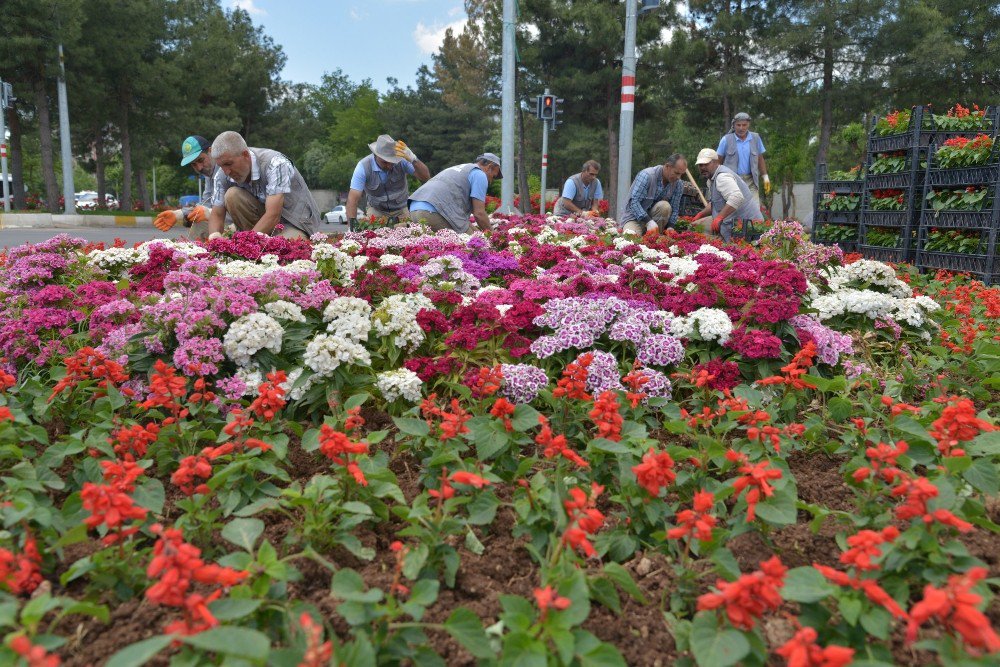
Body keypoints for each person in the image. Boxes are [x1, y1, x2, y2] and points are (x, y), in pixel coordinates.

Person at [206, 131, 320, 240]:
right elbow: (217, 213)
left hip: (294, 222)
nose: (226, 172)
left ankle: (254, 243)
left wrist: (247, 243)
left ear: (245, 155)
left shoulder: (276, 163)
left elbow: (273, 214)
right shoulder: (221, 175)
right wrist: (215, 238)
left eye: (229, 164)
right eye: (221, 166)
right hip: (264, 222)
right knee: (232, 195)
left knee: (282, 248)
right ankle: (254, 243)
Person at [346, 134, 430, 228]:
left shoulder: (402, 160)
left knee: (411, 235)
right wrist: (351, 228)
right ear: (375, 155)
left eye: (392, 161)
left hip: (402, 208)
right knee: (372, 237)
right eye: (385, 162)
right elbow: (352, 200)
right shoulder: (363, 167)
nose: (389, 166)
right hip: (377, 210)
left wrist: (414, 160)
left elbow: (425, 177)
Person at [407, 153, 502, 233]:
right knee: (477, 246)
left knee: (475, 237)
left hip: (415, 209)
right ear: (489, 167)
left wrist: (478, 233)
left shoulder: (461, 169)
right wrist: (493, 236)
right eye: (493, 176)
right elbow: (479, 213)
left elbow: (462, 223)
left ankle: (404, 227)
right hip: (433, 212)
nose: (491, 181)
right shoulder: (480, 174)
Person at [153, 135, 218, 239]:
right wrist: (178, 214)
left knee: (200, 224)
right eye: (194, 164)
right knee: (199, 221)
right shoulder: (209, 174)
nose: (199, 168)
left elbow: (233, 207)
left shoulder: (226, 169)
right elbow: (206, 204)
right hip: (228, 220)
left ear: (210, 151)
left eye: (201, 160)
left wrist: (209, 213)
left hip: (243, 224)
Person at [691, 148, 762, 243]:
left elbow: (737, 197)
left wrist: (720, 217)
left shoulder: (722, 177)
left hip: (748, 226)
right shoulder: (711, 180)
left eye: (706, 164)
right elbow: (715, 203)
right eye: (700, 165)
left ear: (716, 162)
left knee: (698, 233)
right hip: (734, 221)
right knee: (696, 226)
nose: (703, 167)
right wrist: (701, 214)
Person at [620, 154, 688, 235]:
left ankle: (655, 237)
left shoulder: (678, 184)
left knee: (664, 206)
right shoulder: (647, 175)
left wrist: (670, 226)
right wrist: (648, 221)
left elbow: (675, 208)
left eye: (681, 174)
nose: (678, 177)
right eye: (676, 173)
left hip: (654, 220)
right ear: (667, 166)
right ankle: (648, 234)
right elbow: (634, 202)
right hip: (633, 218)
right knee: (630, 238)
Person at [717, 112, 770, 210]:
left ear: (748, 124)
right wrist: (716, 179)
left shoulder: (755, 138)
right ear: (734, 125)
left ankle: (753, 225)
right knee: (734, 209)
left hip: (751, 180)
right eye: (738, 125)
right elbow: (718, 161)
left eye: (744, 125)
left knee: (754, 209)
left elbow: (760, 158)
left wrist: (765, 177)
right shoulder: (726, 140)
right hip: (732, 181)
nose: (741, 128)